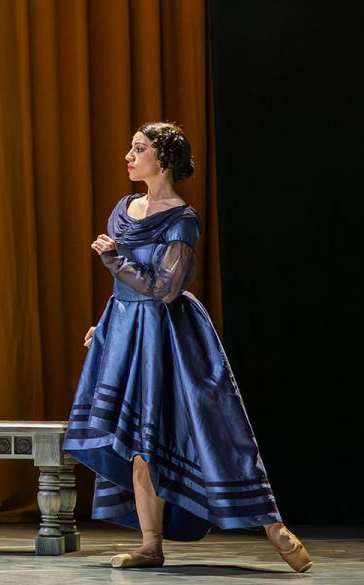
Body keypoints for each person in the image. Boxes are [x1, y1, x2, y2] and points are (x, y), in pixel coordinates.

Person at [64, 122, 312, 572]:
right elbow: (127, 290)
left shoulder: (181, 220)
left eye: (139, 149)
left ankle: (272, 526)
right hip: (127, 333)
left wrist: (113, 260)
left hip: (171, 338)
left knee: (212, 429)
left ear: (162, 159)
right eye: (131, 147)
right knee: (137, 440)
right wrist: (105, 326)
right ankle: (150, 545)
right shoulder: (124, 209)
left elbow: (165, 289)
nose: (129, 156)